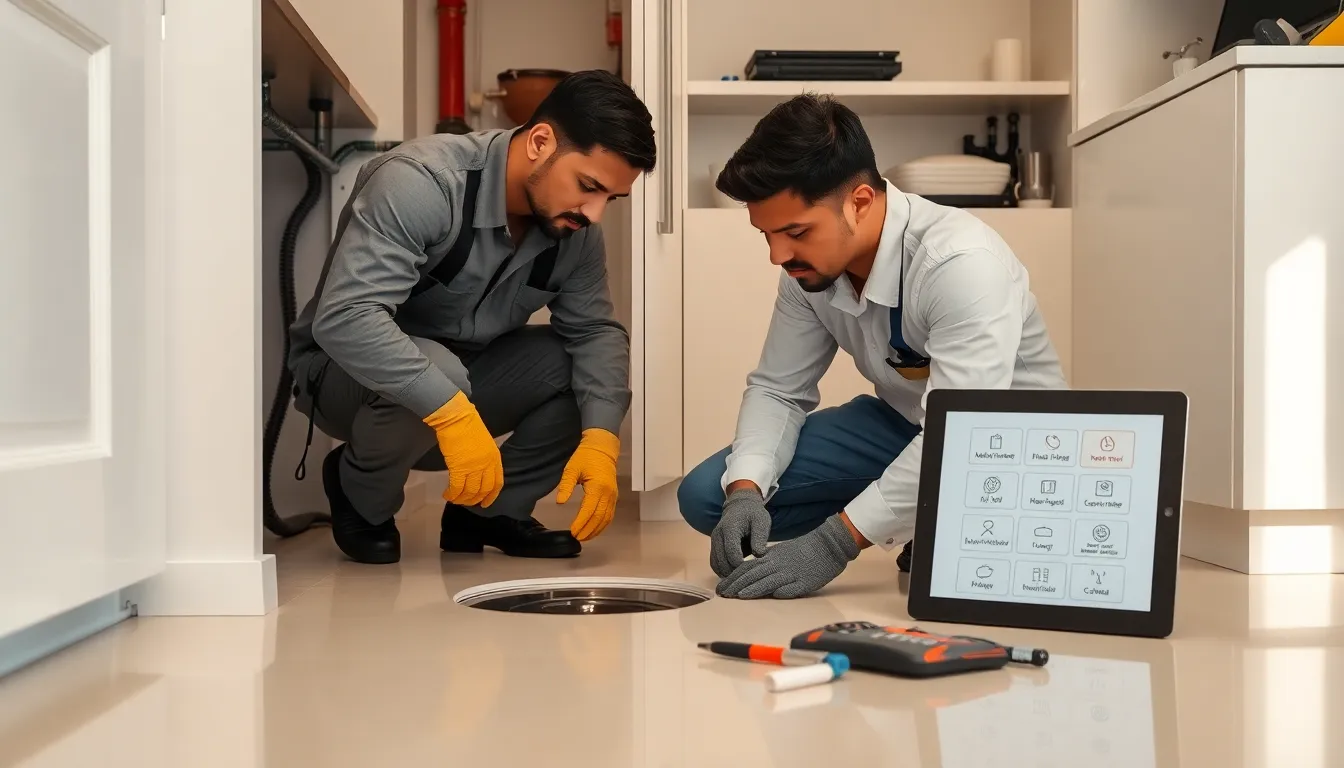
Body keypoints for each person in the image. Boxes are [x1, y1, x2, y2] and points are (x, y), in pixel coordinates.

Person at [677, 94, 1065, 599]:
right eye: (766, 234)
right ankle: (920, 518)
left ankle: (943, 521)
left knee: (970, 538)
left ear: (859, 202)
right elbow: (778, 390)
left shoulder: (960, 263)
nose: (777, 255)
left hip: (1008, 444)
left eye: (795, 232)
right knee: (709, 494)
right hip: (904, 424)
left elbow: (962, 431)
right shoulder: (806, 271)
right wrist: (746, 492)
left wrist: (834, 543)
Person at [288, 70, 655, 565]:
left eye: (610, 198)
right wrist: (451, 411)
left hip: (465, 377)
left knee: (585, 370)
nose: (594, 213)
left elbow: (595, 332)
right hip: (344, 380)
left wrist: (603, 439)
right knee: (441, 369)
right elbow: (348, 317)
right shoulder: (421, 182)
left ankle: (486, 512)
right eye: (588, 186)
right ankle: (359, 491)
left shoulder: (575, 229)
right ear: (541, 141)